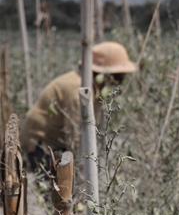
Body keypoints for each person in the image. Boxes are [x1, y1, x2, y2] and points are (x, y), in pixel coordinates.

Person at [20, 41, 137, 172]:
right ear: (105, 74)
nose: (120, 82)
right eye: (119, 76)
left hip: (56, 144)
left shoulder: (92, 87)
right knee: (56, 188)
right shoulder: (78, 90)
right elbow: (75, 134)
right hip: (41, 144)